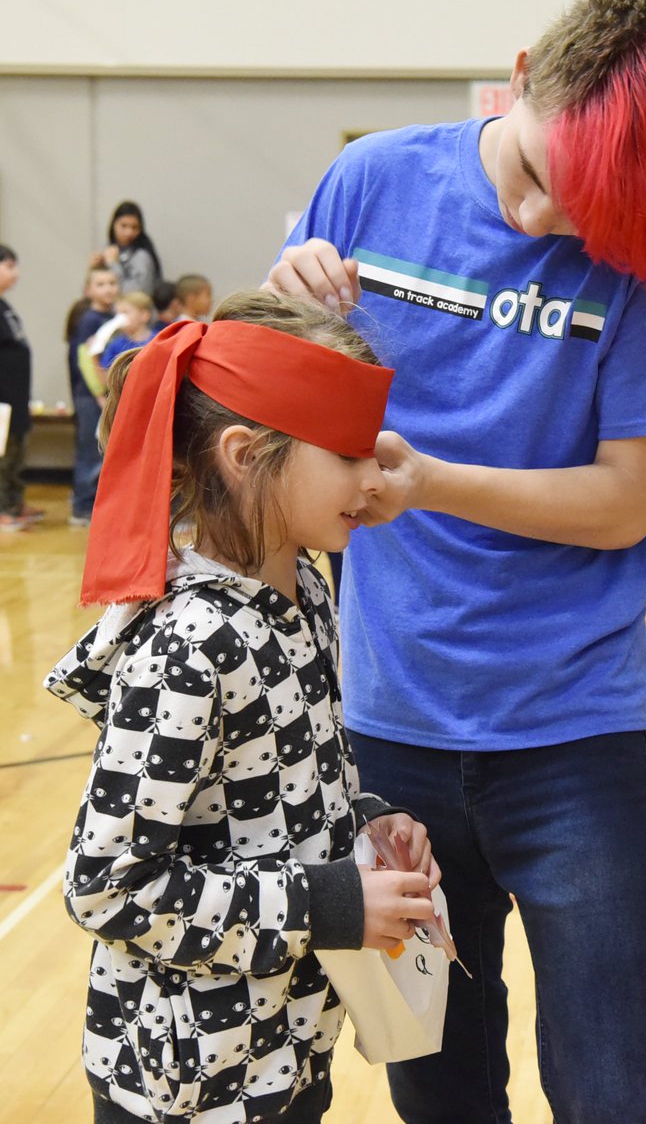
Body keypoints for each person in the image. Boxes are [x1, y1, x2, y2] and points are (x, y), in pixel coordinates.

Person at [266, 0, 646, 1123]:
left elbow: (624, 503)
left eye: (590, 216)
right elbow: (282, 415)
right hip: (388, 730)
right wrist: (289, 306)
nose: (548, 226)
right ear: (526, 74)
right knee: (433, 1083)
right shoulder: (375, 177)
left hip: (573, 740)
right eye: (542, 180)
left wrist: (431, 482)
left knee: (610, 1087)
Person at [45, 289, 442, 1124]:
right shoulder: (189, 647)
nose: (377, 478)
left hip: (288, 1050)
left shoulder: (305, 585)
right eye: (350, 455)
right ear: (245, 452)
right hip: (186, 1084)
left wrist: (366, 818)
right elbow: (107, 886)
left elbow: (284, 774)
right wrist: (332, 903)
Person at [66, 266, 120, 526]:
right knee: (90, 450)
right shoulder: (89, 319)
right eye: (101, 284)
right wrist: (99, 392)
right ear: (89, 290)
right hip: (90, 396)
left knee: (103, 451)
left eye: (112, 283)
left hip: (103, 395)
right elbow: (85, 359)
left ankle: (95, 503)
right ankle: (82, 506)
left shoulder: (113, 318)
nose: (108, 288)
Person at [0, 244, 39, 530]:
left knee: (16, 452)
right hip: (1, 399)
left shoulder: (5, 307)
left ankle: (14, 502)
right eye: (9, 266)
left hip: (15, 397)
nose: (17, 273)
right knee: (1, 456)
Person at [94, 200, 163, 297]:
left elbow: (136, 294)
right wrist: (94, 268)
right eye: (123, 226)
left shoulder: (142, 256)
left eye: (135, 227)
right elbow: (91, 292)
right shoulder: (107, 250)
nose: (129, 232)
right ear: (113, 225)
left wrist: (113, 264)